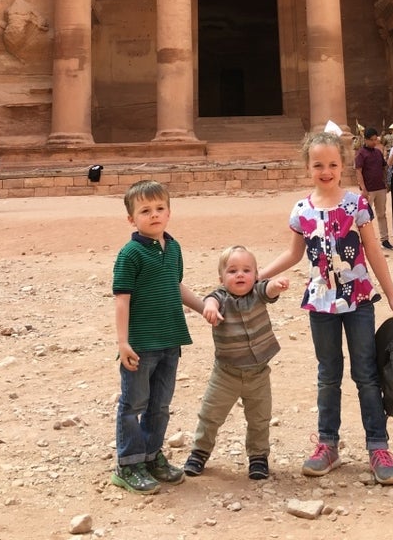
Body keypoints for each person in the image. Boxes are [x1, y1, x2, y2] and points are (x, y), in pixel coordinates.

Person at [259, 130, 393, 486]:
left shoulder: (356, 204)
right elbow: (293, 254)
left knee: (365, 374)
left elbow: (374, 251)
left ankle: (378, 446)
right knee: (327, 374)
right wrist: (256, 275)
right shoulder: (302, 210)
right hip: (320, 301)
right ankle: (327, 444)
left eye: (332, 164)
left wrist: (392, 296)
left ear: (343, 164)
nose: (326, 170)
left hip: (358, 298)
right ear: (308, 167)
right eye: (318, 165)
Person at [112, 179, 204, 495]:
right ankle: (128, 464)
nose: (154, 215)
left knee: (160, 405)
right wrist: (123, 342)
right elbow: (121, 299)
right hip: (140, 344)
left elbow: (175, 287)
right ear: (131, 219)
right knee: (133, 403)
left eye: (160, 208)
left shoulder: (173, 247)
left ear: (169, 211)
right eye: (145, 210)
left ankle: (151, 456)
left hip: (170, 340)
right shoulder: (131, 253)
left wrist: (205, 308)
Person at [184, 246, 289, 481]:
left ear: (256, 274)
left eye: (246, 270)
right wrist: (209, 307)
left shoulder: (258, 292)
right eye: (232, 271)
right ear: (221, 278)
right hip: (225, 375)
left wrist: (276, 285)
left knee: (259, 419)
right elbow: (210, 300)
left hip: (258, 374)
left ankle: (258, 457)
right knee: (210, 415)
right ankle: (199, 452)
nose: (240, 275)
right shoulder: (220, 297)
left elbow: (269, 291)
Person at [355, 127, 393, 250]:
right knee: (365, 216)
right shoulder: (361, 153)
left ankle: (385, 239)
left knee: (381, 214)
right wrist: (363, 188)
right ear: (366, 140)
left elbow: (384, 167)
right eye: (372, 140)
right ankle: (365, 240)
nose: (374, 142)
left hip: (380, 187)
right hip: (369, 189)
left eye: (375, 139)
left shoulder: (378, 152)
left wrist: (386, 182)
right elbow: (358, 171)